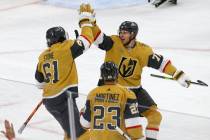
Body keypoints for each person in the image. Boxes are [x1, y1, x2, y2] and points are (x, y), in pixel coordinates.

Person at [90, 13, 190, 140]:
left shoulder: (143, 50)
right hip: (113, 90)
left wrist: (177, 74)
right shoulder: (113, 42)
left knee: (155, 116)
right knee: (111, 124)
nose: (121, 34)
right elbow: (99, 38)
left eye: (125, 32)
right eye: (120, 32)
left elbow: (161, 63)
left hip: (135, 91)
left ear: (133, 34)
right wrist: (92, 23)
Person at [35, 4, 95, 140]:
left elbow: (39, 83)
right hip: (63, 99)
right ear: (63, 38)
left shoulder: (43, 55)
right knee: (81, 134)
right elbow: (86, 40)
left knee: (70, 132)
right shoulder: (65, 48)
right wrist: (85, 21)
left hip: (50, 101)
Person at [80, 61, 144, 140]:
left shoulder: (92, 94)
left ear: (102, 75)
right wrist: (139, 137)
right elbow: (133, 127)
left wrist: (82, 112)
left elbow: (85, 124)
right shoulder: (127, 93)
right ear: (117, 74)